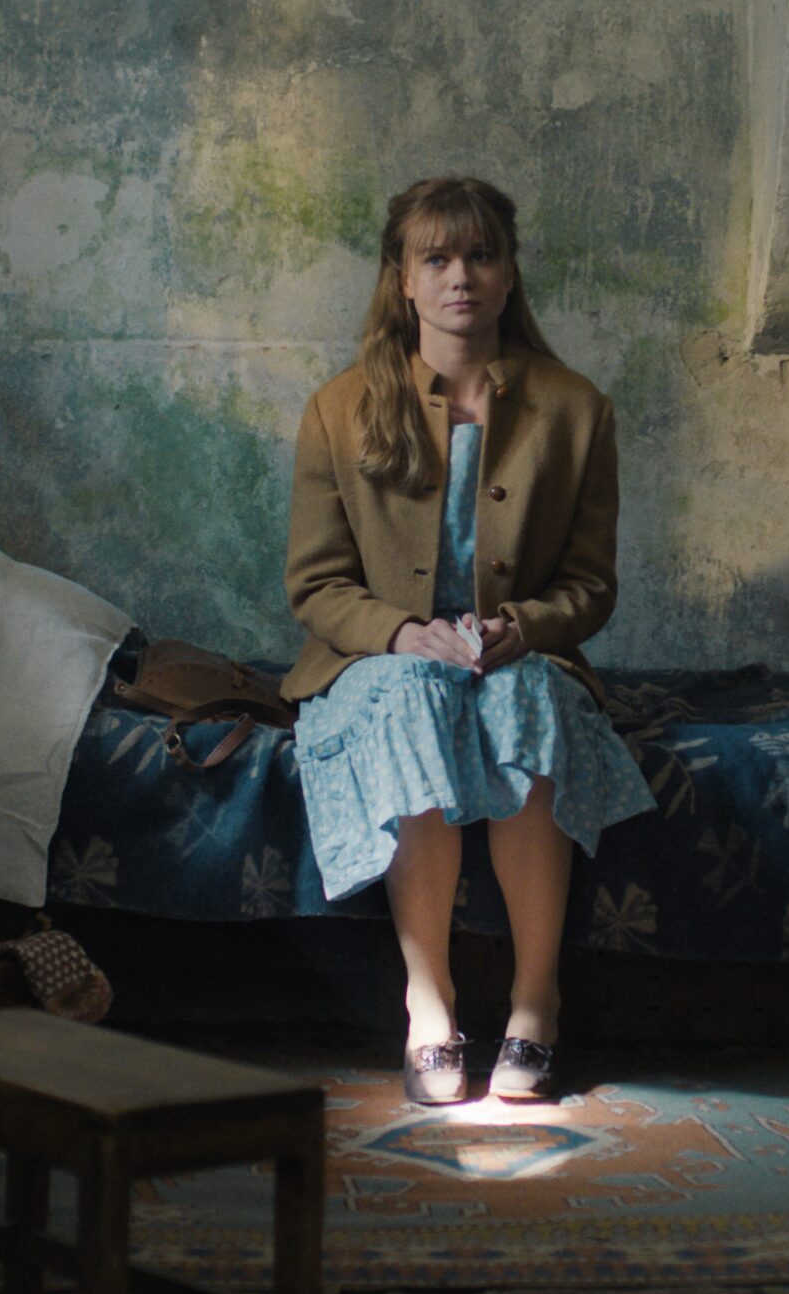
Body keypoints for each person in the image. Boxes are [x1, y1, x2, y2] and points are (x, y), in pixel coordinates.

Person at [281, 176, 656, 1104]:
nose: (461, 277)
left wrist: (521, 629)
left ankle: (535, 1001)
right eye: (438, 258)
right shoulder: (339, 409)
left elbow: (591, 586)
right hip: (380, 661)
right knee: (415, 699)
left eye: (481, 256)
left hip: (516, 655)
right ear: (403, 278)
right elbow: (316, 586)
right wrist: (403, 634)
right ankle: (430, 1004)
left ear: (509, 272)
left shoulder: (577, 410)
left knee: (524, 699)